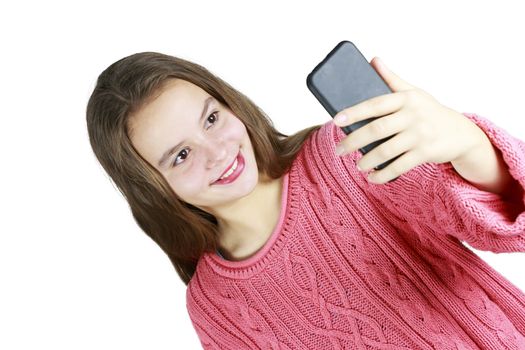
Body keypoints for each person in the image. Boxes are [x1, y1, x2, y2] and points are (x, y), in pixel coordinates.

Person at [86, 51, 525, 349]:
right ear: (153, 187)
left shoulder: (344, 156)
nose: (217, 152)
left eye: (212, 118)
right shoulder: (215, 306)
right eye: (181, 156)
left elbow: (503, 226)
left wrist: (468, 144)